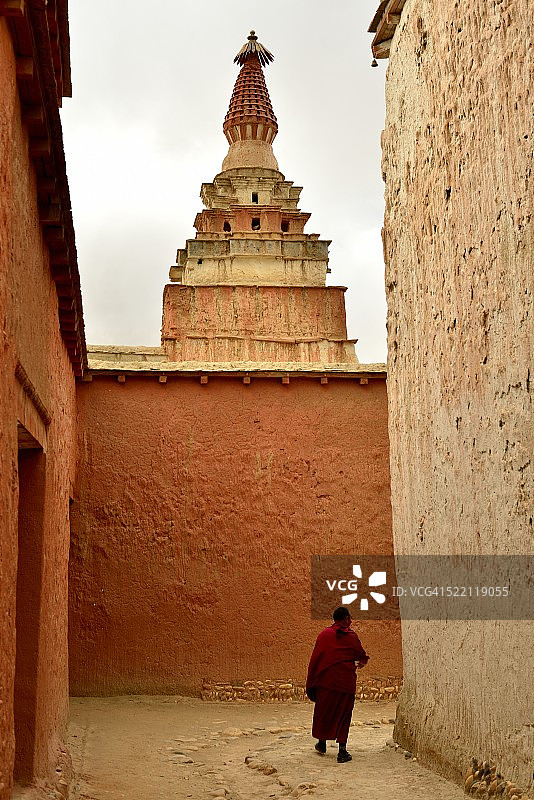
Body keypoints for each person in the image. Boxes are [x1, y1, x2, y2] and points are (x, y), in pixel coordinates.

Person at [306, 606, 369, 763]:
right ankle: (342, 751)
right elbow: (361, 655)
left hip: (326, 682)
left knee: (324, 711)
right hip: (344, 682)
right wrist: (359, 664)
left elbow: (316, 658)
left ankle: (322, 743)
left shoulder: (324, 635)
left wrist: (314, 679)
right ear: (346, 619)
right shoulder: (351, 636)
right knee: (344, 714)